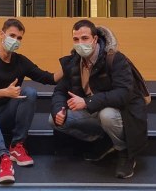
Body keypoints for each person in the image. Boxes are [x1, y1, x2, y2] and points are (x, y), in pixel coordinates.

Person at [50, 19, 148, 179]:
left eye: (85, 38)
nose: (80, 43)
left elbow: (123, 93)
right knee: (53, 120)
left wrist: (87, 102)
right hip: (92, 109)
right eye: (76, 39)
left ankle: (125, 153)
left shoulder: (114, 59)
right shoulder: (74, 61)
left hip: (122, 113)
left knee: (107, 115)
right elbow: (60, 91)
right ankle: (107, 140)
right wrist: (58, 110)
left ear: (95, 39)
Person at [0, 18, 62, 185]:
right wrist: (5, 92)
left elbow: (49, 78)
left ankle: (17, 146)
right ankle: (3, 158)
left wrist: (70, 64)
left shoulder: (20, 61)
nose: (16, 40)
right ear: (1, 34)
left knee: (30, 92)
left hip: (5, 117)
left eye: (19, 38)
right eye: (12, 35)